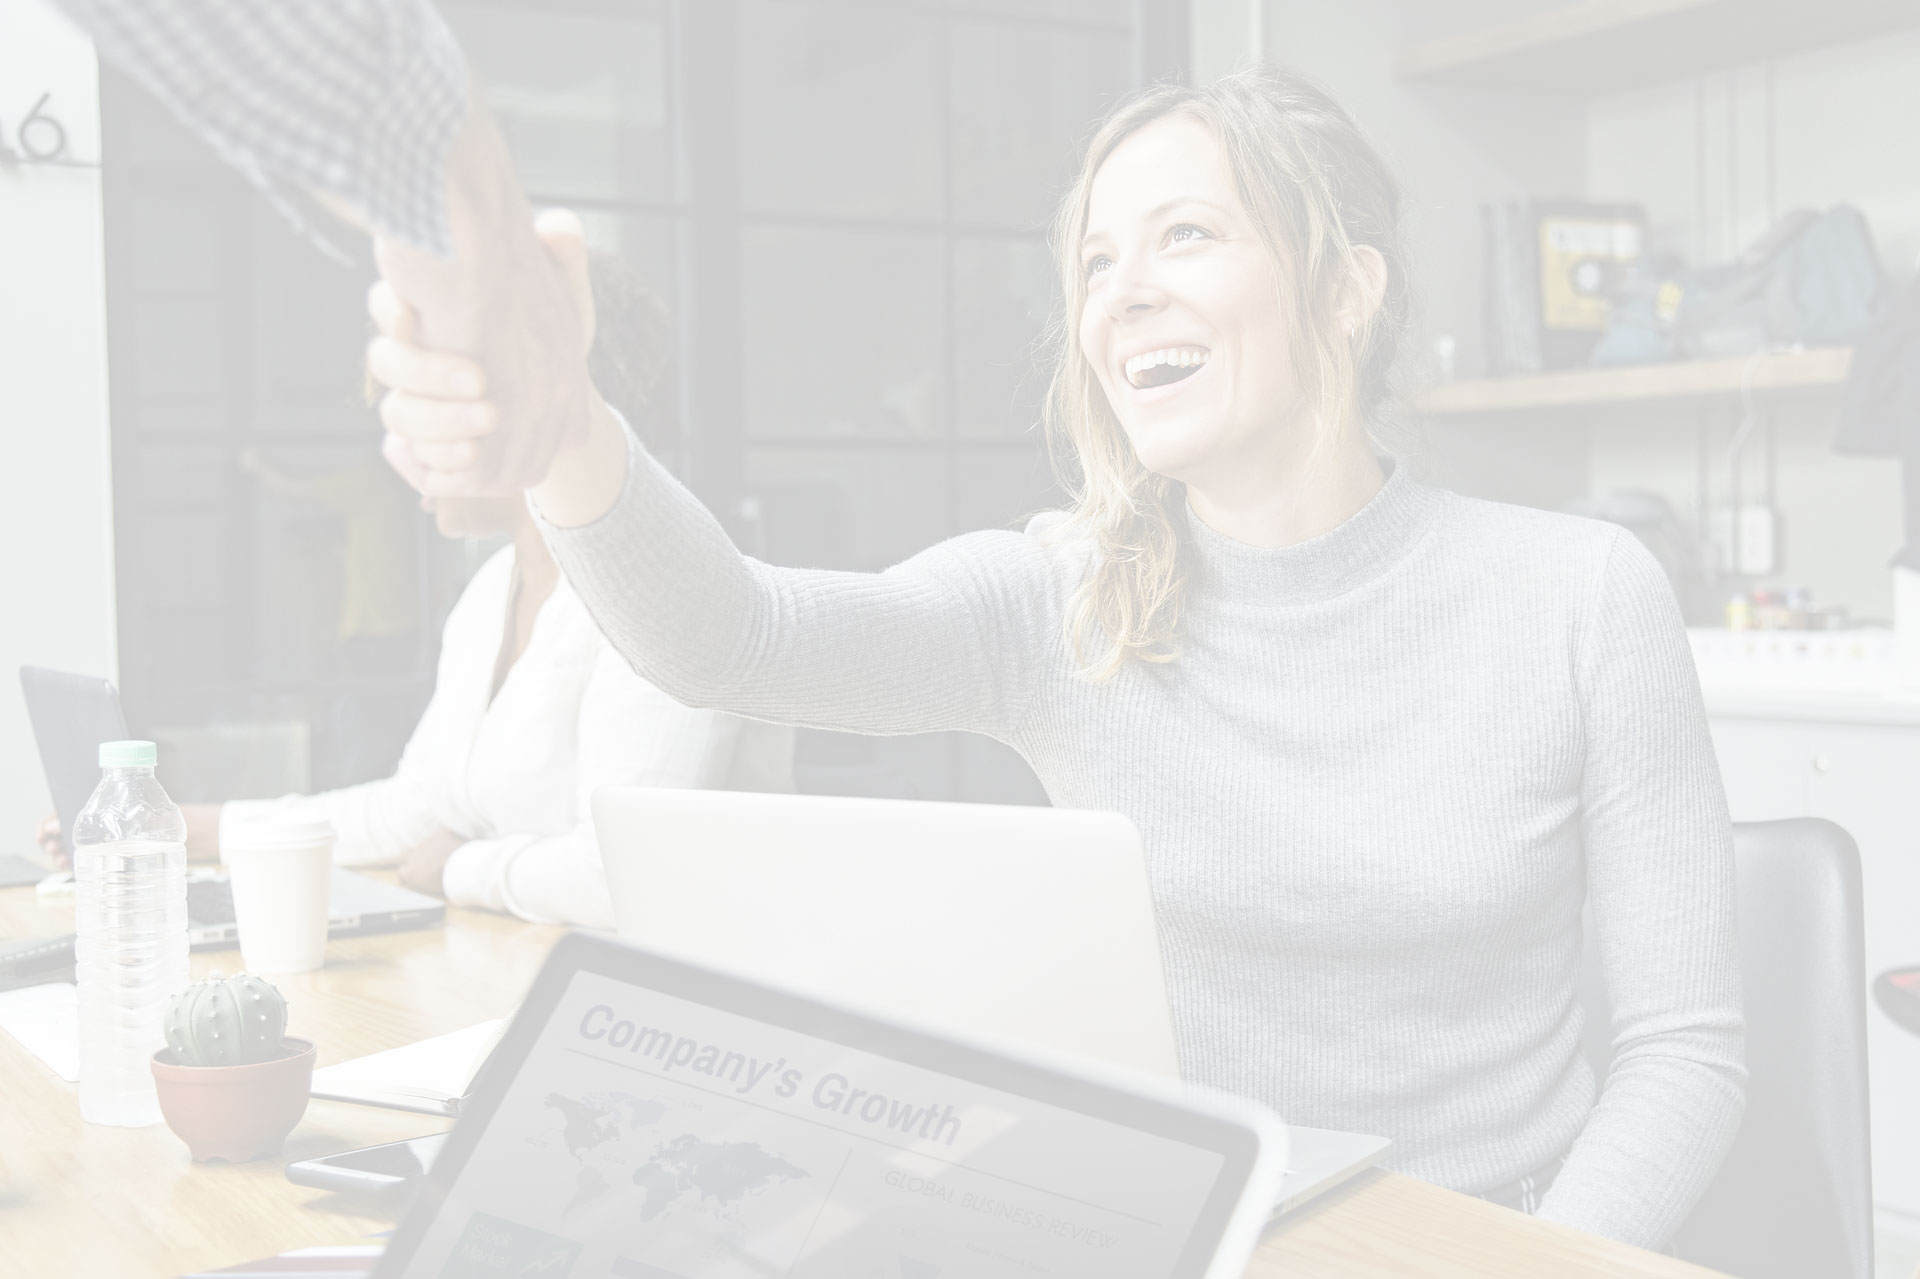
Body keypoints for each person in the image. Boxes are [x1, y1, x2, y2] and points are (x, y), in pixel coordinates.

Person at [51, 4, 1740, 1251]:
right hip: (1191, 1238)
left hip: (1483, 1238)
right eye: (1095, 261)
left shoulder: (1581, 595)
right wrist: (567, 427)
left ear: (1347, 286)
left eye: (1186, 236)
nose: (1124, 294)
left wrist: (1547, 1261)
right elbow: (739, 637)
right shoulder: (1058, 591)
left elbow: (1684, 1053)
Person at [38, 253, 794, 929]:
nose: (401, 447)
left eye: (425, 409)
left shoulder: (663, 583)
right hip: (529, 965)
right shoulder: (490, 592)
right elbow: (412, 812)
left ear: (531, 404)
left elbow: (618, 878)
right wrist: (177, 828)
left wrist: (461, 866)